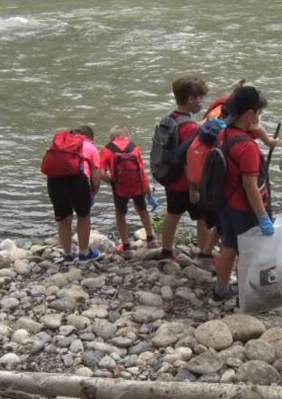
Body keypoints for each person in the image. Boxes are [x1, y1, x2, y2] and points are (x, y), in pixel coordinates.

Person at [210, 85, 274, 305]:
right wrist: (263, 217)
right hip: (244, 208)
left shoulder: (224, 132)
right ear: (249, 114)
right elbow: (250, 186)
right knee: (249, 251)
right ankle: (248, 295)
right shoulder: (247, 148)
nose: (259, 118)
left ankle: (221, 289)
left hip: (226, 201)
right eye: (258, 113)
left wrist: (259, 134)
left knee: (229, 244)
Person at [154, 75, 209, 263]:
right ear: (191, 98)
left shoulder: (170, 118)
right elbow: (190, 159)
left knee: (173, 213)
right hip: (187, 183)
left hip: (170, 177)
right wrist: (194, 189)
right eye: (200, 97)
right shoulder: (189, 127)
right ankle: (205, 253)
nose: (202, 101)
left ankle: (166, 251)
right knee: (203, 219)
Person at [45, 125, 102, 264]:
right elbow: (96, 175)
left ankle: (68, 255)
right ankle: (84, 253)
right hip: (77, 181)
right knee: (83, 216)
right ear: (89, 137)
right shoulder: (89, 146)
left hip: (54, 182)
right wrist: (94, 192)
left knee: (63, 219)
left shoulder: (58, 144)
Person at [100, 125, 157, 259]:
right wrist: (148, 193)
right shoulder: (134, 147)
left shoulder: (107, 149)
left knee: (120, 214)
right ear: (126, 135)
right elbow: (142, 172)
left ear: (111, 138)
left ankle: (126, 246)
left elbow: (101, 174)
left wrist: (113, 182)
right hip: (137, 186)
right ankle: (151, 239)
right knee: (142, 210)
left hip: (120, 189)